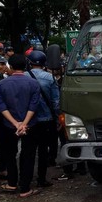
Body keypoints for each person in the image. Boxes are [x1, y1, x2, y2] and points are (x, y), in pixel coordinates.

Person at [0, 54, 42, 198]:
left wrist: (15, 123)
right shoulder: (33, 83)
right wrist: (24, 123)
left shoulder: (1, 84)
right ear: (25, 66)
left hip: (9, 126)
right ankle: (25, 188)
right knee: (27, 155)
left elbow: (1, 106)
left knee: (10, 154)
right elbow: (33, 105)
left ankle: (11, 183)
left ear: (10, 66)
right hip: (30, 125)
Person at [27, 50, 59, 187]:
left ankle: (25, 181)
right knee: (43, 150)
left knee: (27, 151)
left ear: (30, 63)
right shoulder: (49, 78)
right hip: (46, 120)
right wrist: (57, 118)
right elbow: (56, 101)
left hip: (27, 121)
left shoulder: (23, 77)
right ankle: (41, 179)